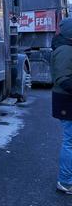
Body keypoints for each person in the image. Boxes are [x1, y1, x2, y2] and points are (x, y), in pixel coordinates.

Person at [52, 18, 72, 194]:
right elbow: (63, 79)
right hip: (66, 102)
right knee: (69, 142)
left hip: (66, 101)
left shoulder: (66, 47)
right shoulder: (64, 50)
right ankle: (65, 182)